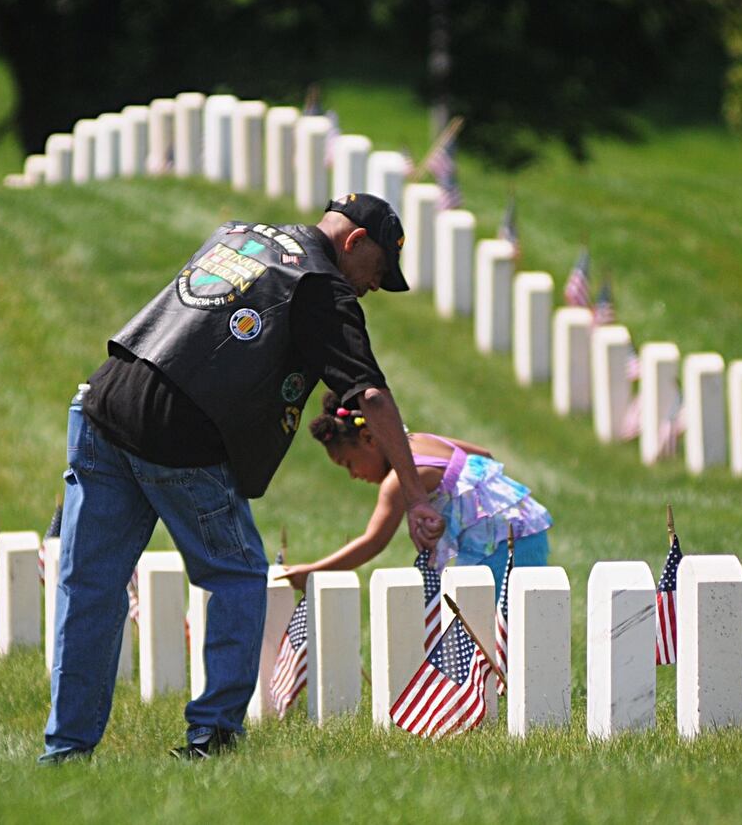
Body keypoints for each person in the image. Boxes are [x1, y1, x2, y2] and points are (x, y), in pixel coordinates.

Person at [42, 193, 446, 764]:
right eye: (378, 271)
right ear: (355, 242)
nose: (373, 287)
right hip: (180, 437)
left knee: (90, 589)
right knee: (237, 577)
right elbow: (370, 395)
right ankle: (213, 736)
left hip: (104, 407)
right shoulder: (321, 285)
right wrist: (413, 493)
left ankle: (66, 750)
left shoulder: (242, 237)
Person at [278, 390, 551, 592]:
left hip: (495, 547)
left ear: (369, 439)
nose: (353, 475)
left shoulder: (397, 483)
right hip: (526, 529)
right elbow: (483, 454)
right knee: (514, 626)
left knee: (481, 633)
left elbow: (374, 541)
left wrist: (313, 572)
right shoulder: (421, 440)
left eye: (349, 463)